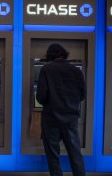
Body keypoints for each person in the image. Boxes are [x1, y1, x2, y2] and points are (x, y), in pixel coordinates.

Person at [36, 43, 86, 176]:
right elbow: (82, 95)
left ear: (50, 56)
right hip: (71, 119)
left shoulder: (46, 69)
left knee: (53, 156)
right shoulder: (77, 71)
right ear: (64, 54)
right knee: (75, 153)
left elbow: (41, 97)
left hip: (51, 119)